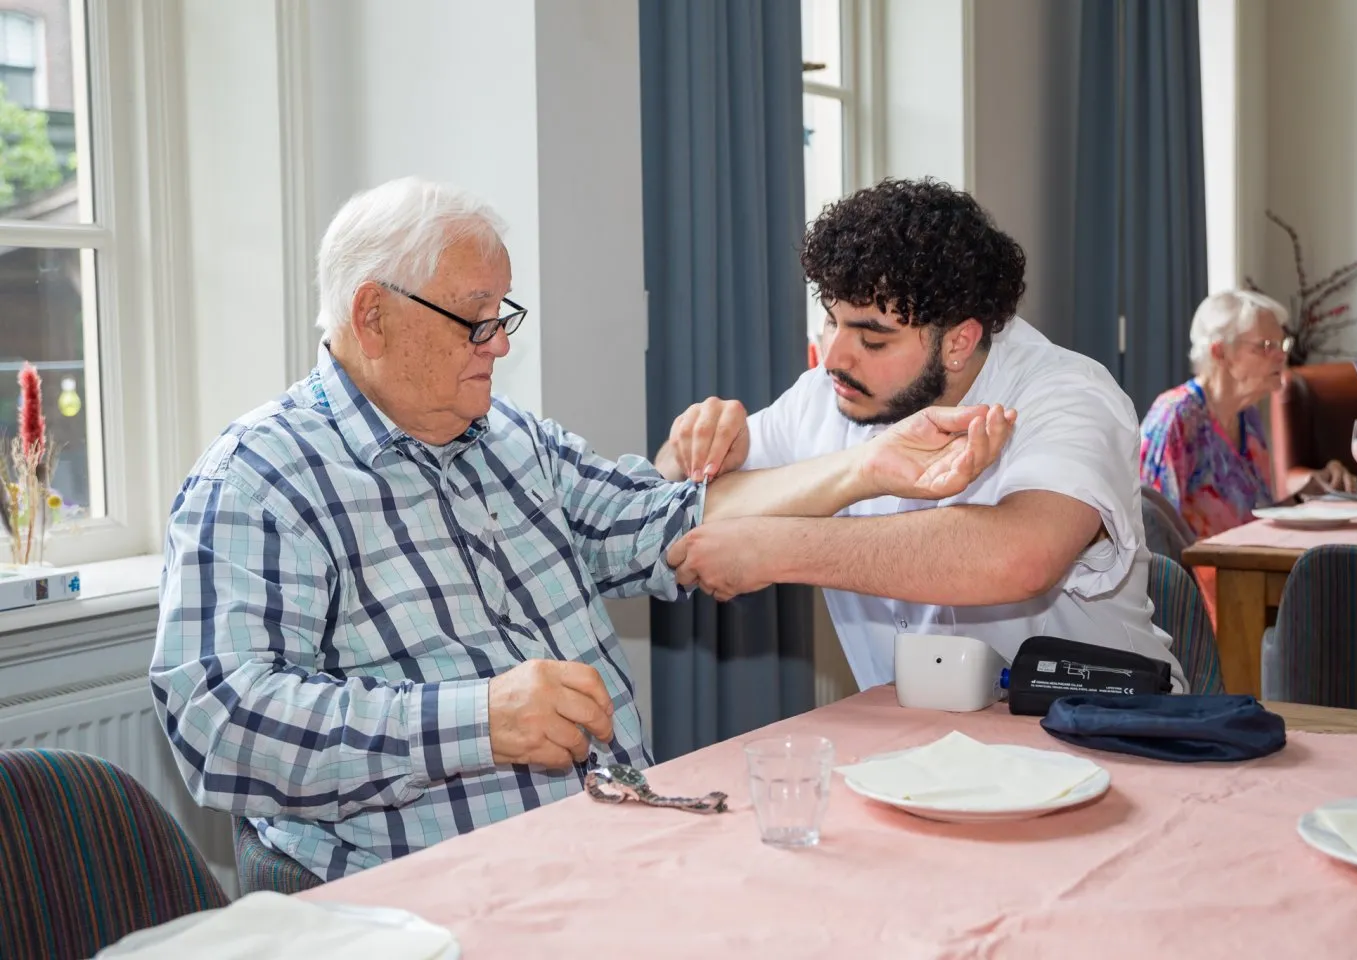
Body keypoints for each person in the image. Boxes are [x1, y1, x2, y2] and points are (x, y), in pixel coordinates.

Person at [150, 176, 1014, 881]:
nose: (498, 344)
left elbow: (663, 521)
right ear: (372, 315)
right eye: (475, 318)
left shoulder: (509, 439)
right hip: (439, 894)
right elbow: (218, 721)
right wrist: (477, 720)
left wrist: (870, 468)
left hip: (617, 851)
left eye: (502, 315)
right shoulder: (263, 480)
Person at [658, 177, 1187, 692]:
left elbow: (1022, 557)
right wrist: (695, 444)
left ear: (958, 343)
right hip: (912, 736)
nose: (835, 357)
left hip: (1100, 726)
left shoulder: (1068, 394)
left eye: (872, 339)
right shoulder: (826, 394)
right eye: (831, 321)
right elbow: (670, 495)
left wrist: (780, 548)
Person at [1139, 290, 1357, 539]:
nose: (1282, 355)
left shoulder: (1248, 417)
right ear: (1220, 352)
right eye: (1266, 346)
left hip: (1245, 559)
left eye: (1282, 344)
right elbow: (1152, 534)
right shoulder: (1178, 416)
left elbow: (1255, 521)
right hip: (1199, 565)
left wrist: (1306, 495)